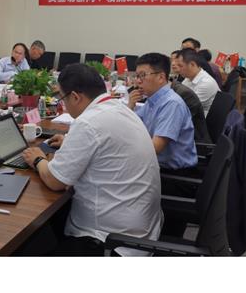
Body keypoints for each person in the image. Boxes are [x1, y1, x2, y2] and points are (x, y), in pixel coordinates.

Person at [22, 63, 161, 256]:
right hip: (141, 229)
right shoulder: (119, 109)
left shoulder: (88, 123)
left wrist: (38, 160)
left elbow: (55, 181)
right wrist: (69, 142)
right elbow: (105, 144)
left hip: (108, 241)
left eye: (62, 98)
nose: (64, 104)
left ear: (75, 97)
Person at [127, 53, 197, 173]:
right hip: (155, 164)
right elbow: (133, 126)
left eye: (142, 75)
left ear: (161, 77)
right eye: (137, 76)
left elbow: (155, 148)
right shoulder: (152, 99)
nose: (138, 81)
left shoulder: (172, 104)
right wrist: (130, 106)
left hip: (174, 173)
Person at [176, 48, 220, 116]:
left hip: (204, 119)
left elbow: (185, 107)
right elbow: (178, 97)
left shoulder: (206, 83)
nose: (178, 69)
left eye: (180, 66)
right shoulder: (188, 78)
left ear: (192, 64)